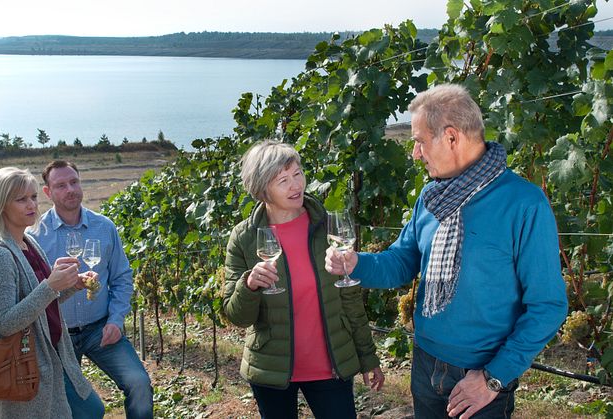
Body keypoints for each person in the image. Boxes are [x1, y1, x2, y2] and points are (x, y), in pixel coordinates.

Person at [326, 84, 568, 418]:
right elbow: (402, 262)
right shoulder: (431, 197)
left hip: (481, 376)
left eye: (419, 141)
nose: (414, 153)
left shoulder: (524, 203)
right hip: (425, 363)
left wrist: (492, 378)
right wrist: (356, 263)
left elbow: (548, 306)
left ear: (451, 137)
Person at [223, 140, 384, 419]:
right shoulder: (245, 237)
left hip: (330, 367)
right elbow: (236, 316)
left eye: (297, 174)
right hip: (270, 370)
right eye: (282, 180)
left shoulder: (326, 229)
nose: (295, 185)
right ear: (262, 189)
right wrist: (249, 285)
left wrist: (368, 357)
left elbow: (349, 299)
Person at [0, 167, 104, 418]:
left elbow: (42, 302)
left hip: (52, 355)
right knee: (89, 411)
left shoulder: (27, 242)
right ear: (1, 205)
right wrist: (51, 286)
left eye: (33, 197)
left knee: (91, 410)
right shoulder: (0, 255)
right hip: (28, 364)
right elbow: (3, 322)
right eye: (21, 199)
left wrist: (71, 285)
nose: (31, 205)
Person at [30, 160, 154, 419]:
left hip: (100, 328)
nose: (70, 190)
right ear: (47, 192)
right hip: (58, 336)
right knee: (72, 408)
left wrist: (116, 320)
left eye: (74, 182)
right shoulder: (34, 235)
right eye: (61, 185)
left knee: (139, 383)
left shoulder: (104, 227)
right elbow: (34, 292)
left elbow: (122, 278)